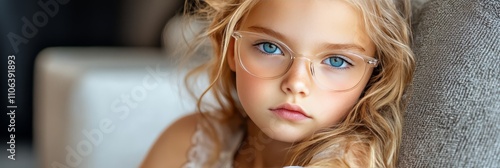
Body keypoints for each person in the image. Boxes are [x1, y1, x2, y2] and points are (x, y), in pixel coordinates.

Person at [142, 0, 415, 167]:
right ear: (231, 50)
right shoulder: (188, 142)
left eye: (336, 61)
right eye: (270, 47)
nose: (296, 83)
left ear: (374, 76)